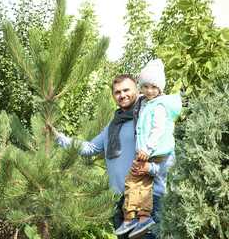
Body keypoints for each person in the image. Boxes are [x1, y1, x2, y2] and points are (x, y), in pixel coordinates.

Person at [48, 74, 175, 239]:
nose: (122, 95)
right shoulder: (112, 126)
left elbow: (171, 157)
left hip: (147, 201)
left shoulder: (152, 118)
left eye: (126, 90)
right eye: (117, 92)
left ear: (137, 90)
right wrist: (58, 137)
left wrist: (149, 168)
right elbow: (90, 148)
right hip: (119, 203)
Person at [115, 60, 182, 238]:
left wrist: (146, 149)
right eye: (145, 86)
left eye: (153, 87)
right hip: (147, 152)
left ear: (160, 87)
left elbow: (158, 130)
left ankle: (139, 219)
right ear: (140, 88)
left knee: (138, 182)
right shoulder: (145, 103)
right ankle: (133, 219)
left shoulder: (159, 106)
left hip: (154, 156)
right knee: (135, 182)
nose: (149, 90)